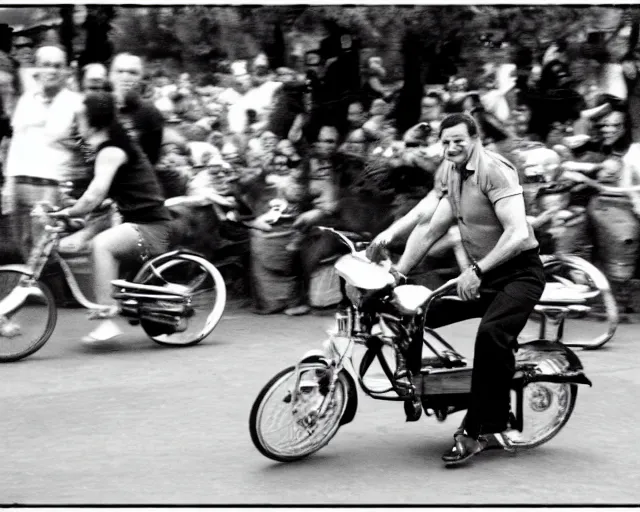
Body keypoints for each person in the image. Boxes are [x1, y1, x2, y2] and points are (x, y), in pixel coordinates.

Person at [368, 113, 544, 466]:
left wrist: (477, 271)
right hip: (481, 275)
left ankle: (480, 430)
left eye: (458, 141)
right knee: (415, 310)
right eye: (445, 141)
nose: (450, 147)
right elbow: (428, 224)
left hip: (518, 274)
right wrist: (394, 261)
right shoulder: (449, 171)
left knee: (491, 335)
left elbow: (518, 234)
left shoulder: (495, 170)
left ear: (475, 138)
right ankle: (420, 388)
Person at [51, 91, 173, 344]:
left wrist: (70, 211)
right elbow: (61, 139)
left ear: (93, 121)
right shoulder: (104, 146)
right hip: (134, 224)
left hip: (149, 228)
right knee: (86, 242)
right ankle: (110, 303)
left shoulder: (112, 151)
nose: (76, 124)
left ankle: (107, 317)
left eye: (80, 118)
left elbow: (94, 194)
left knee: (102, 245)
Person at [2, 46, 85, 260]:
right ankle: (33, 292)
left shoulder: (76, 103)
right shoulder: (27, 99)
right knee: (23, 246)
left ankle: (50, 291)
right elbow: (17, 142)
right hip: (21, 182)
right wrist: (9, 184)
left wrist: (73, 142)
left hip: (51, 185)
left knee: (44, 248)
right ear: (37, 70)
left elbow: (87, 145)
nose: (52, 71)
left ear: (66, 70)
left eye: (58, 66)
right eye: (46, 65)